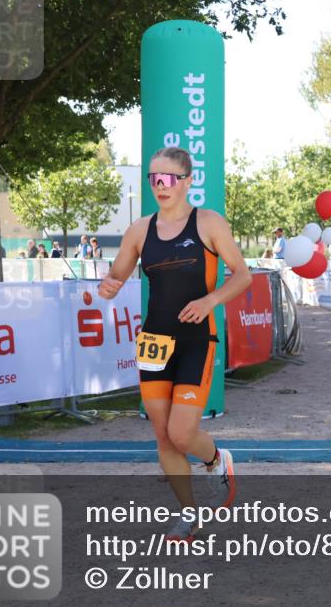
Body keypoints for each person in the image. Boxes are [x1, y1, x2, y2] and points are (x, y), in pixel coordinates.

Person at [99, 147, 251, 542]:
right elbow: (115, 277)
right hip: (153, 341)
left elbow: (242, 276)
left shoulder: (208, 223)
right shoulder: (139, 230)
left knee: (183, 434)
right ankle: (188, 516)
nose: (159, 186)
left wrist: (210, 300)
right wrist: (107, 286)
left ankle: (217, 461)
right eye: (153, 179)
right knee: (163, 436)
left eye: (167, 179)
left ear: (187, 181)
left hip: (196, 340)